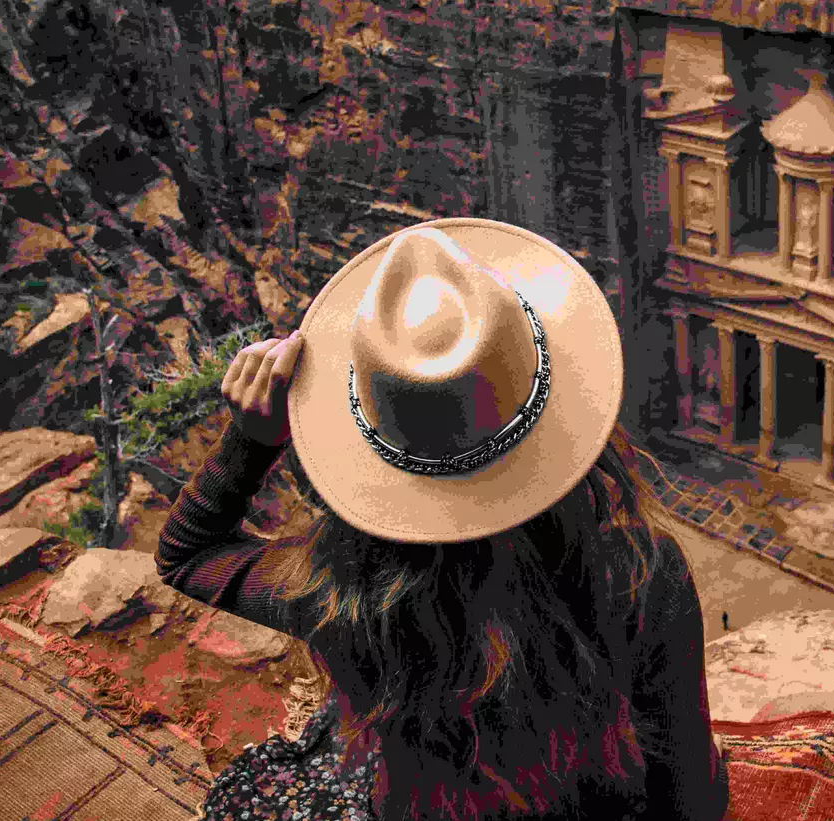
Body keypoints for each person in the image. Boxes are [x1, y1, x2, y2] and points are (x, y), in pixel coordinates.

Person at [157, 219, 730, 821]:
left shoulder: (342, 593)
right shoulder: (638, 576)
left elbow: (187, 554)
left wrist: (251, 441)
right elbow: (690, 796)